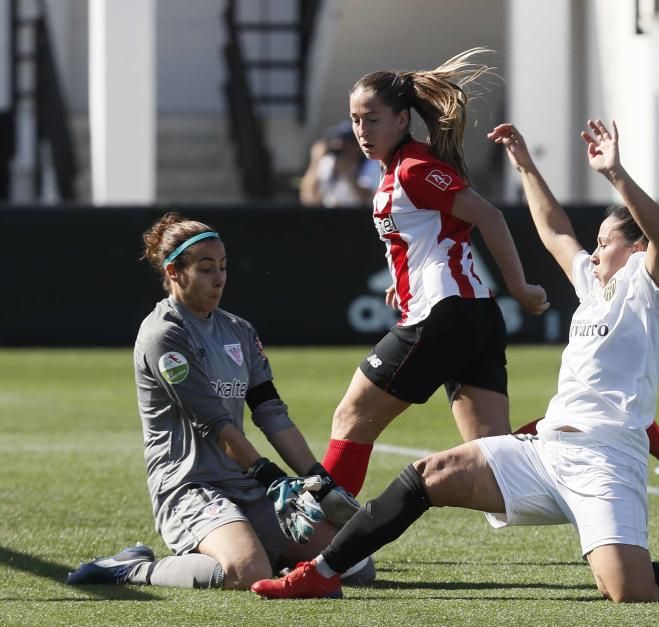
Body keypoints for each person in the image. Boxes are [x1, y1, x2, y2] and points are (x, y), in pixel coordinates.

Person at [249, 120, 659, 602]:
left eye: (604, 244)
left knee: (629, 591)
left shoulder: (655, 289)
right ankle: (320, 573)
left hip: (606, 461)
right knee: (430, 474)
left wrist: (615, 174)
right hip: (545, 450)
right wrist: (525, 166)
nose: (593, 253)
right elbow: (556, 232)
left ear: (638, 247)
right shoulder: (592, 285)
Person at [65, 212, 368, 591]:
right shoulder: (165, 333)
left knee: (353, 562)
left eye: (223, 266)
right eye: (206, 268)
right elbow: (212, 423)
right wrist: (271, 476)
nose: (219, 277)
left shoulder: (239, 330)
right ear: (175, 271)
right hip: (189, 486)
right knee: (248, 571)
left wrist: (318, 478)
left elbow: (271, 412)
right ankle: (133, 568)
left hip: (243, 483)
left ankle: (256, 548)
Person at [319, 49, 550, 498]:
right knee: (495, 459)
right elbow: (428, 238)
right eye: (355, 120)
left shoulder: (414, 169)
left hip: (444, 313)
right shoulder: (398, 170)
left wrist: (519, 288)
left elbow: (490, 217)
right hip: (469, 315)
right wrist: (403, 285)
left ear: (403, 120)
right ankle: (592, 434)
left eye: (373, 119)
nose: (361, 132)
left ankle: (319, 538)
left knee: (351, 418)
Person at [299, 121, 382, 208]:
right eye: (337, 142)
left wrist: (349, 175)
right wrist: (315, 162)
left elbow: (367, 199)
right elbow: (308, 199)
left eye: (347, 143)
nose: (341, 147)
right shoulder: (328, 162)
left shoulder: (371, 163)